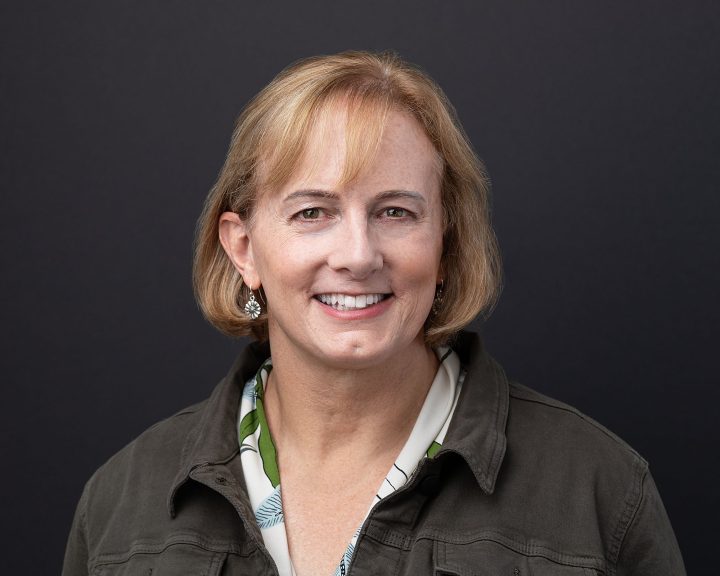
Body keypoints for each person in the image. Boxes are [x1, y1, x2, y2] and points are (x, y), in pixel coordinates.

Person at [62, 51, 685, 576]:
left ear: (446, 244)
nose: (358, 256)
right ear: (244, 248)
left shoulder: (600, 492)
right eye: (313, 212)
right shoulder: (122, 504)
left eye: (396, 212)